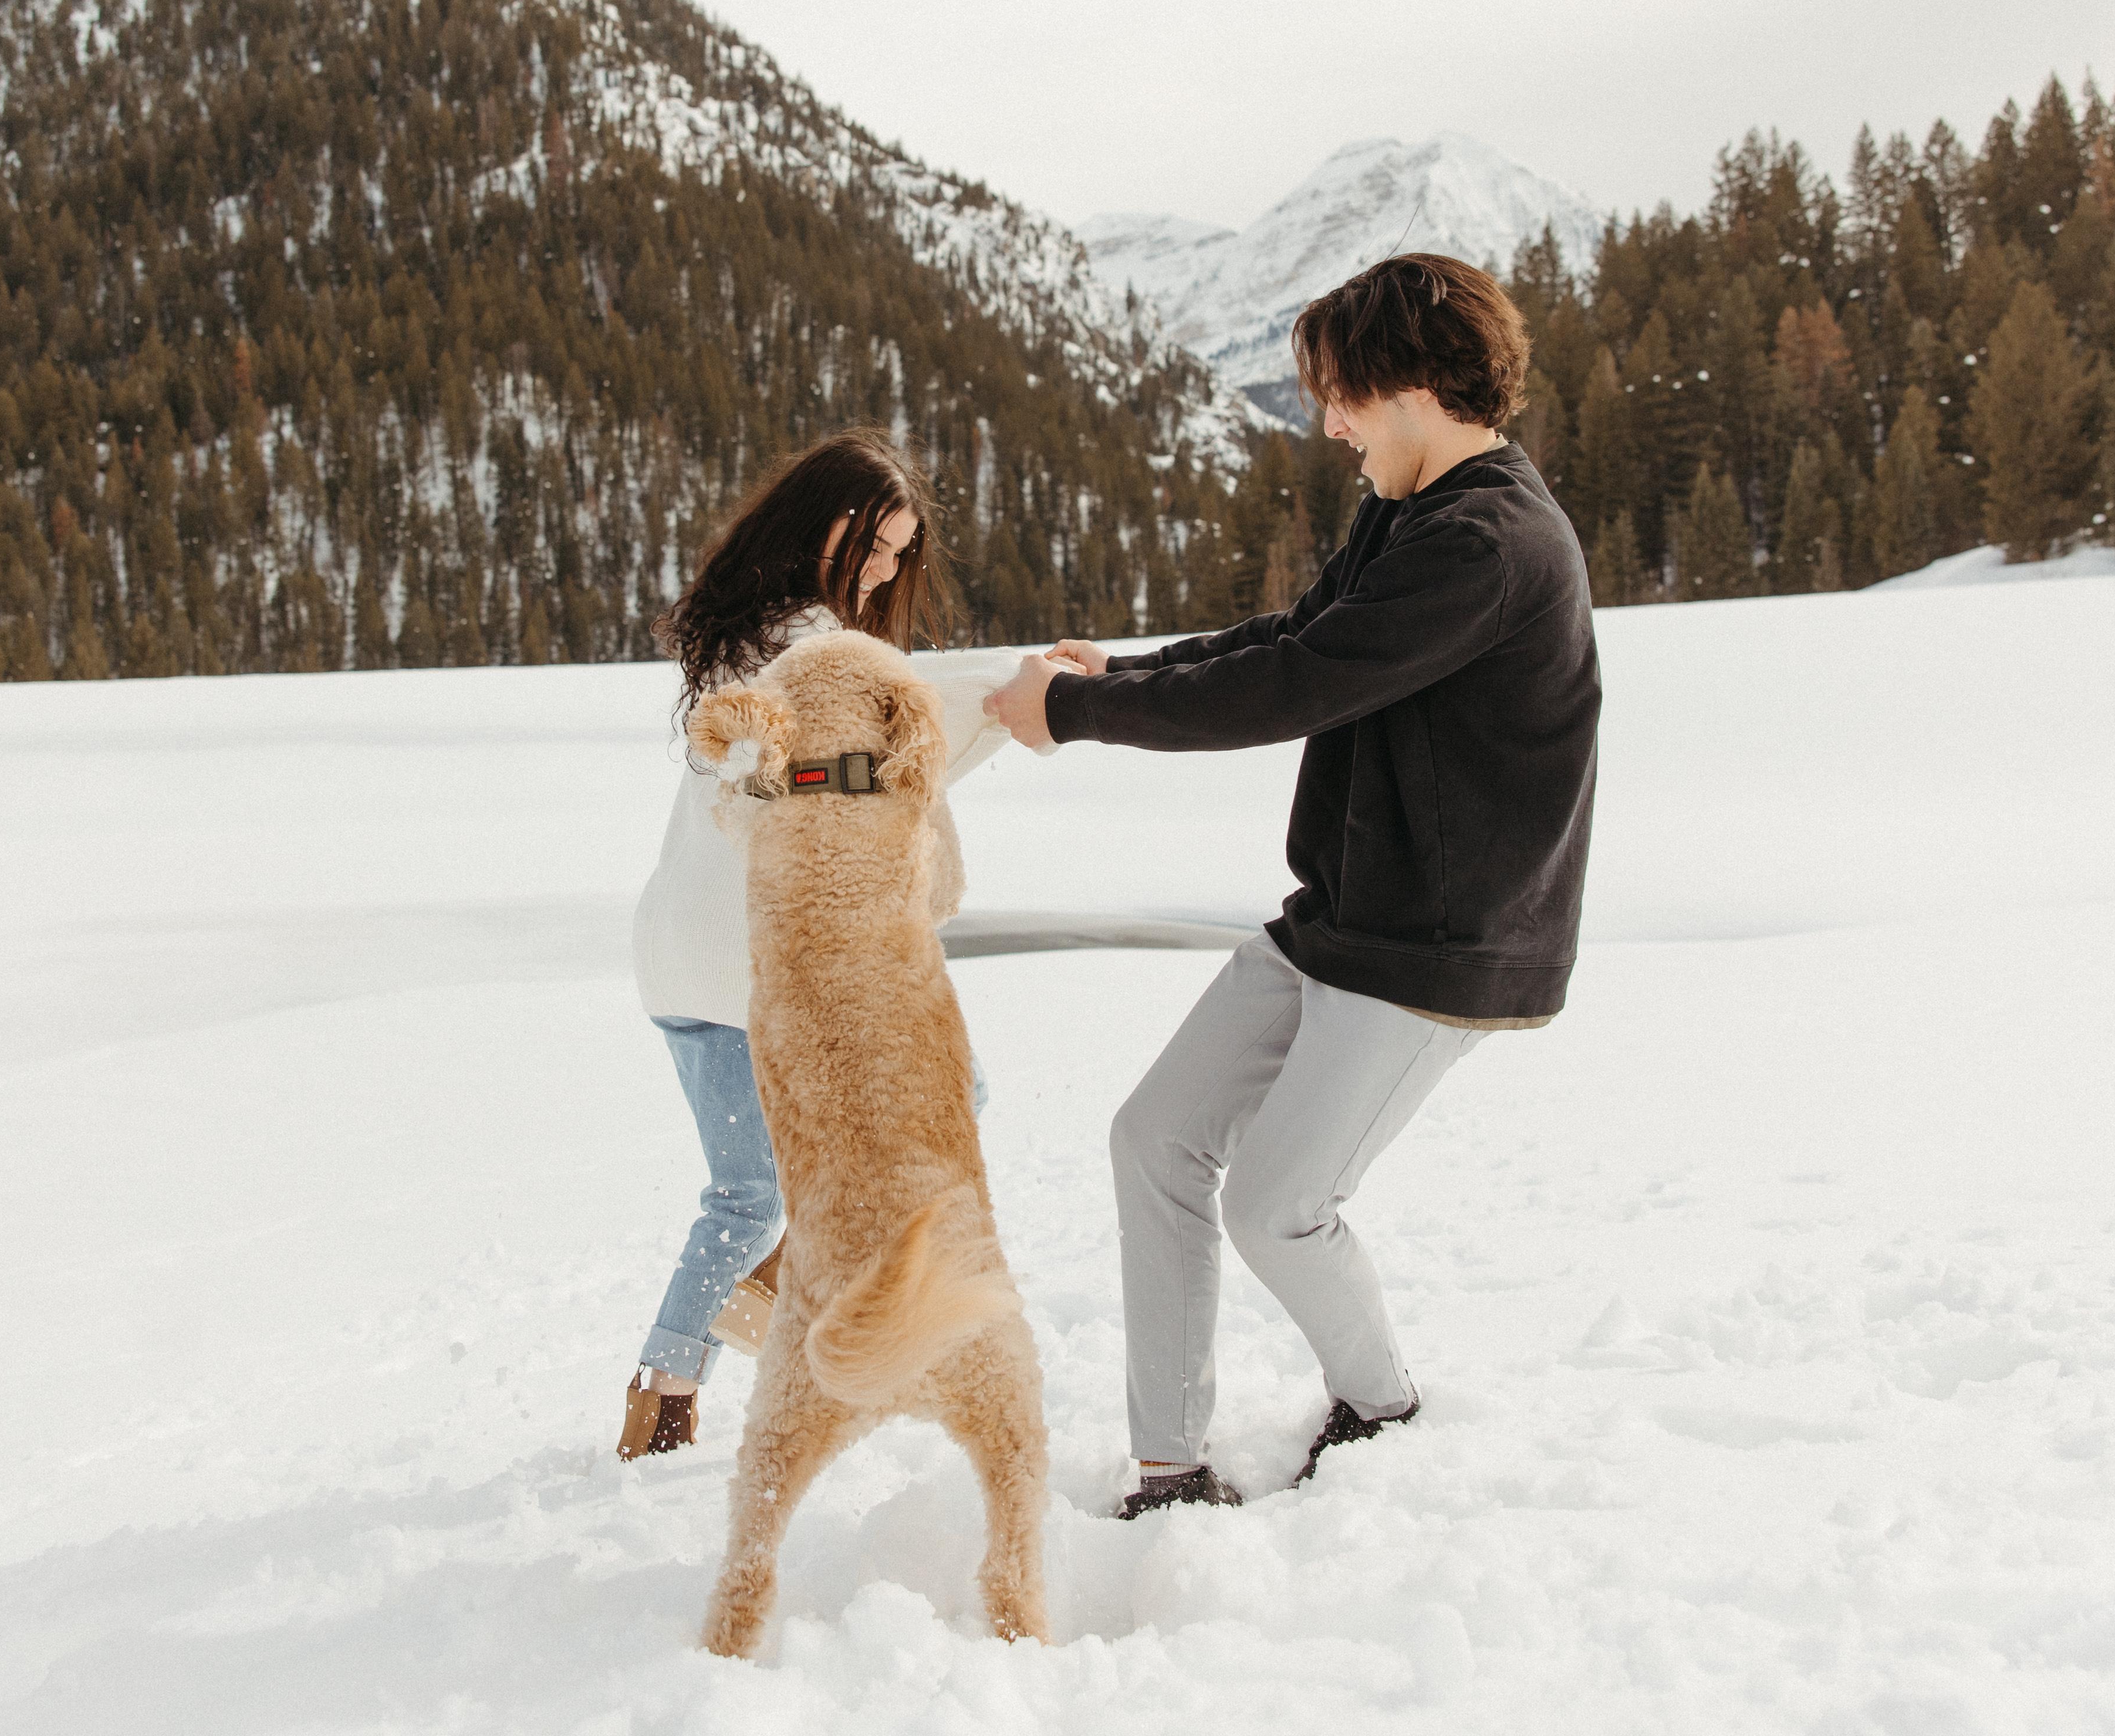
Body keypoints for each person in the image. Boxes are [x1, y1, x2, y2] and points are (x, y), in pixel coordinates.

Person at [985, 253, 1600, 1517]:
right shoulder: (1414, 509)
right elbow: (1295, 639)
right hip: (1341, 920)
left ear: (1420, 388)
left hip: (1437, 952)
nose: (1328, 425)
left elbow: (1294, 690)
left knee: (1279, 1207)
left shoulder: (1487, 543)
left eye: (1345, 398)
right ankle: (1169, 1466)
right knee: (1153, 1141)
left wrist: (1081, 714)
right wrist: (1124, 669)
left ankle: (1385, 1411)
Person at [621, 428, 1015, 1459]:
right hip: (764, 954)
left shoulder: (745, 632)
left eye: (899, 552)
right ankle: (766, 1295)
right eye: (875, 543)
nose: (886, 568)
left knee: (743, 1193)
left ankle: (662, 1391)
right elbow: (875, 756)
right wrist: (1021, 697)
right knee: (951, 1098)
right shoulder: (814, 645)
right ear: (825, 523)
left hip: (681, 954)